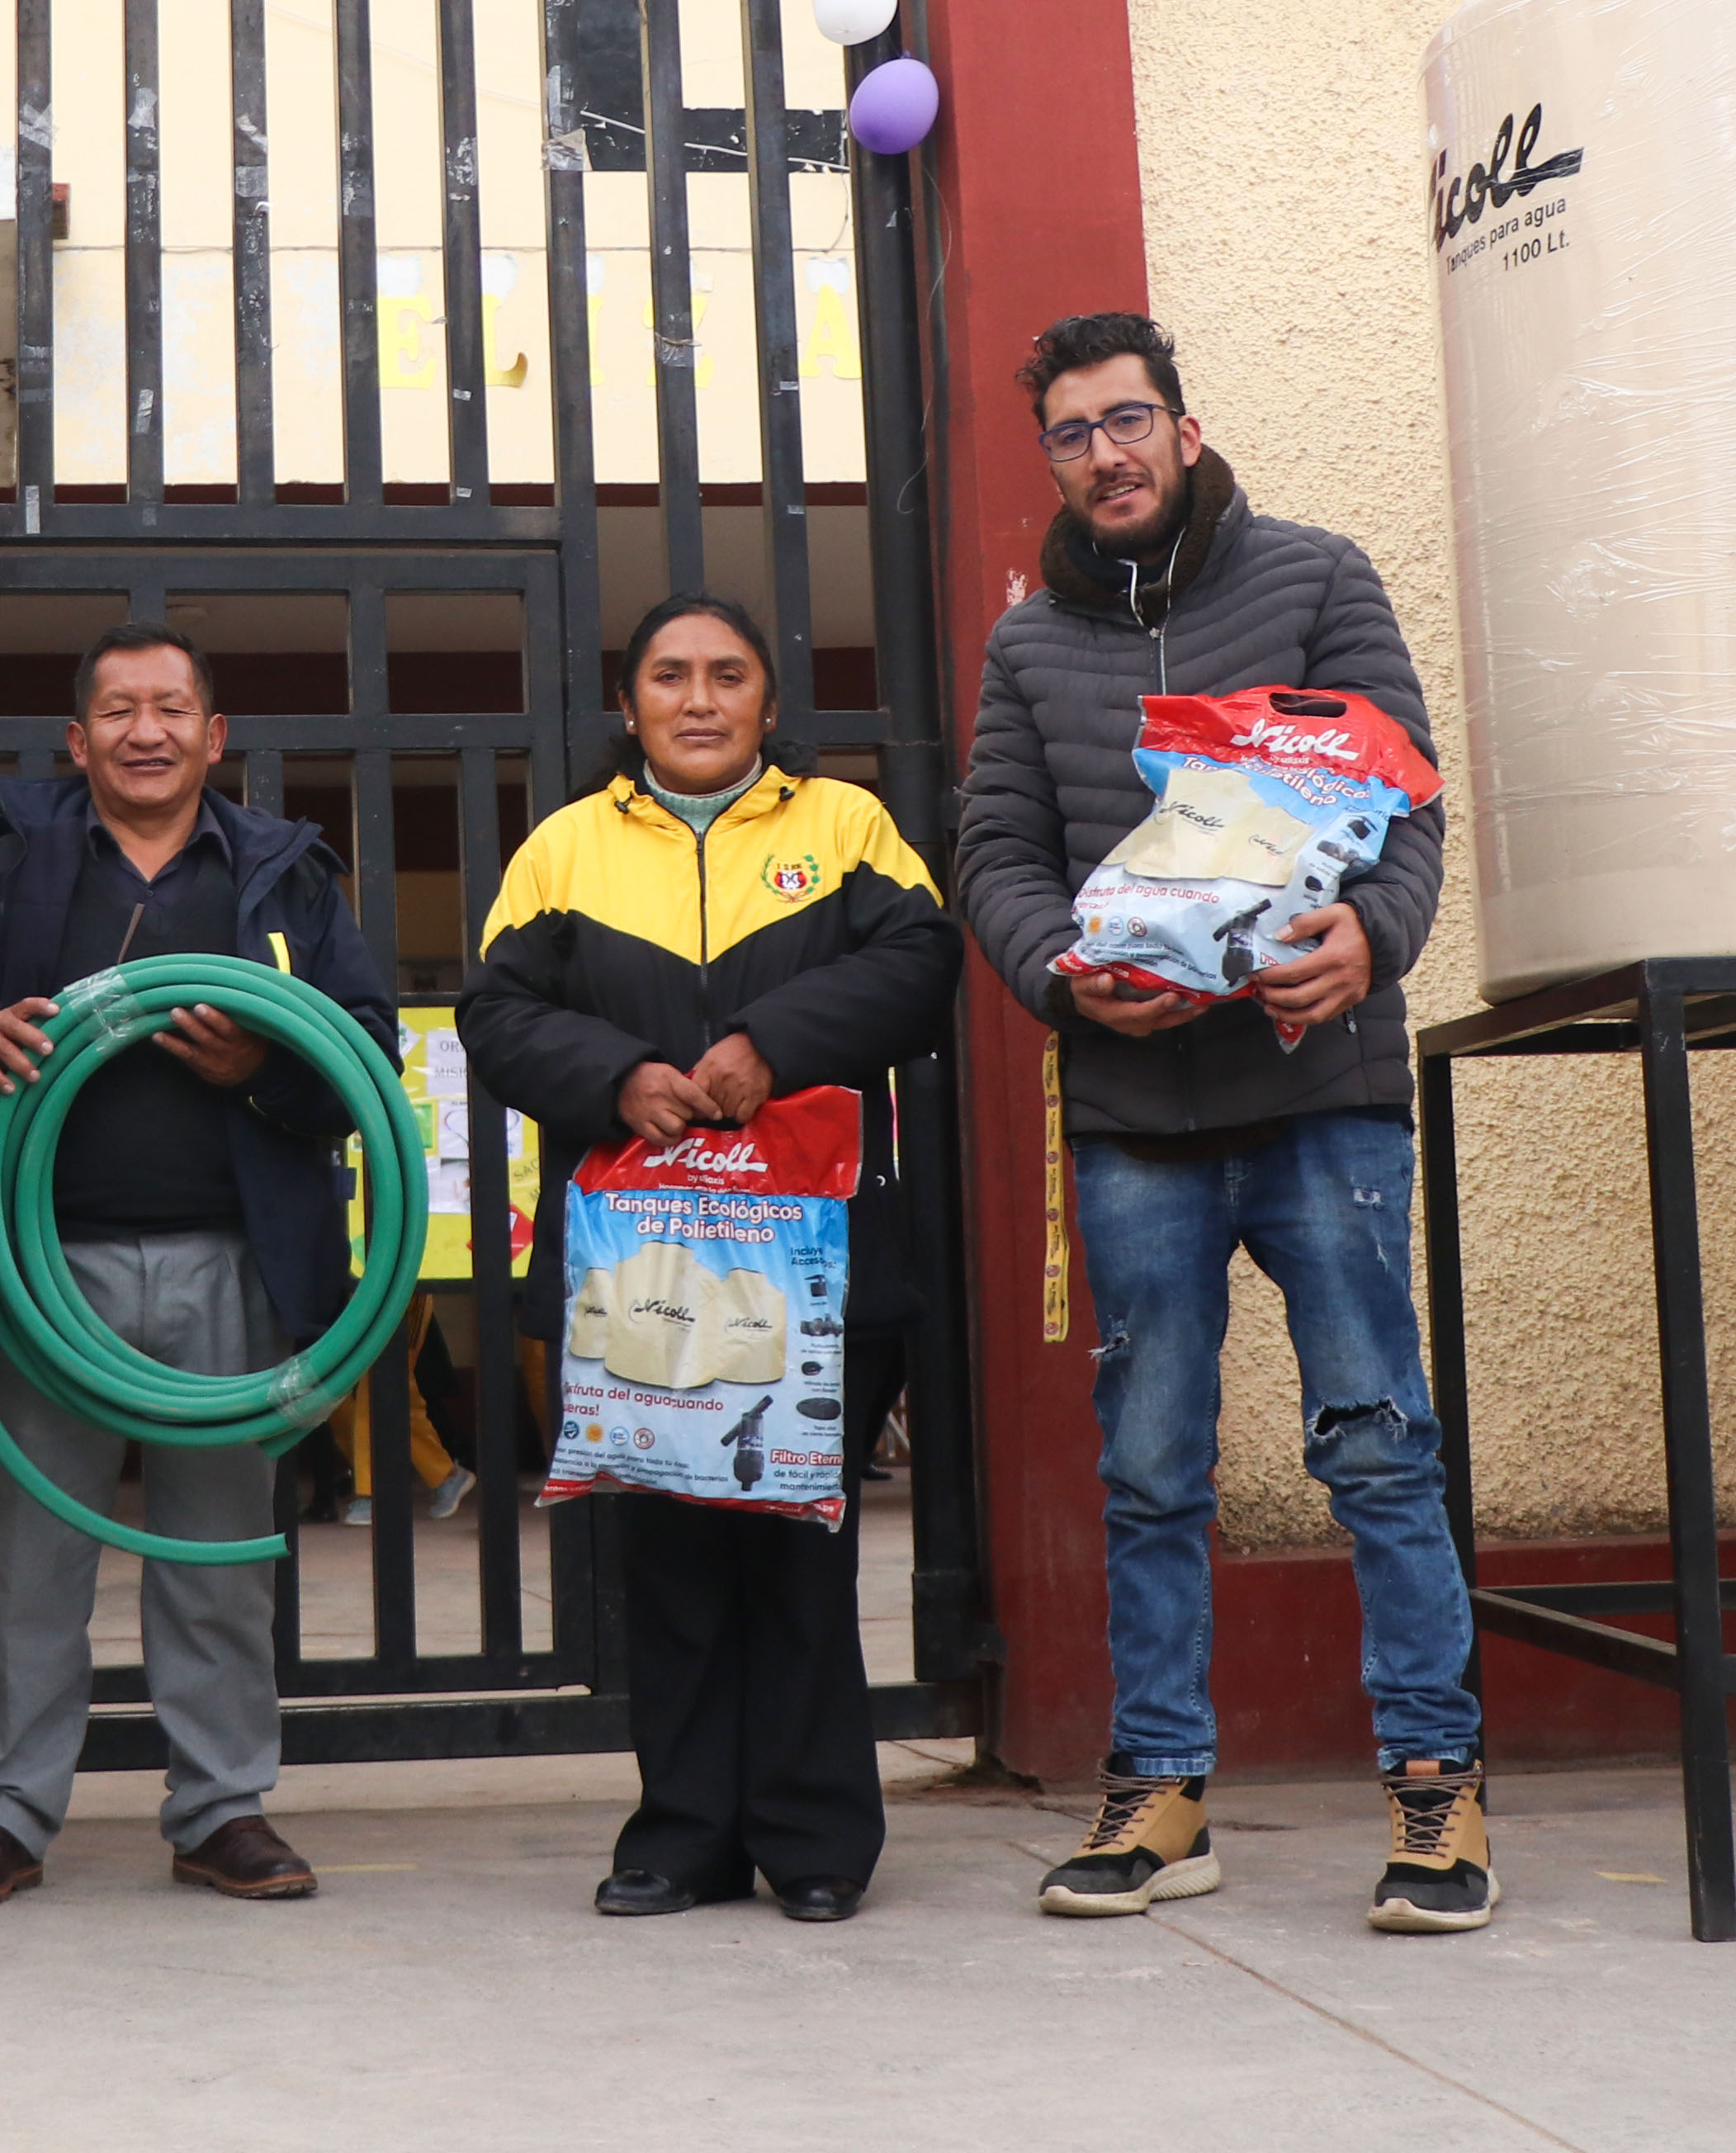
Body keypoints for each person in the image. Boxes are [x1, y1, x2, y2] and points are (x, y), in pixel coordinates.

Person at [952, 311, 1490, 1936]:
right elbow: (995, 848)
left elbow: (1408, 801)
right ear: (1049, 454)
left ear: (1184, 429)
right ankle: (1165, 1788)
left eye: (1130, 420)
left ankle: (1439, 1790)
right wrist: (1055, 970)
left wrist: (1373, 937)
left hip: (1319, 1097)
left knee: (1379, 1448)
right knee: (1147, 1468)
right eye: (1071, 431)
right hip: (1132, 1116)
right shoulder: (1031, 640)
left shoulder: (1317, 579)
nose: (1104, 453)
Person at [459, 592, 957, 1925]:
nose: (697, 700)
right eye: (668, 678)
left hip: (815, 1262)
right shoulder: (565, 849)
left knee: (800, 1544)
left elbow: (922, 965)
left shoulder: (844, 828)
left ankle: (815, 1843)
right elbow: (495, 1013)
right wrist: (617, 1074)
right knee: (669, 1559)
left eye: (727, 676)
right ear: (628, 707)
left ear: (768, 706)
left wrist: (769, 1047)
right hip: (641, 1268)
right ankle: (681, 1837)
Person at [0, 622, 389, 1912]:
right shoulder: (12, 863)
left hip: (229, 1260)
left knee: (221, 1549)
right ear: (78, 741)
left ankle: (221, 1807)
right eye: (118, 709)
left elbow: (363, 1045)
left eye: (172, 709)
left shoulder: (284, 875)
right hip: (37, 1264)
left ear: (214, 737)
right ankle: (4, 1813)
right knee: (24, 1554)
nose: (146, 730)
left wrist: (266, 1064)